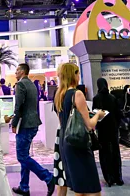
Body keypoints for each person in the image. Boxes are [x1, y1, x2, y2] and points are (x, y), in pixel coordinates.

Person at [54, 63, 106, 195]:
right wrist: (99, 115)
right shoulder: (77, 94)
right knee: (93, 188)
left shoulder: (58, 95)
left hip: (65, 143)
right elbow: (89, 125)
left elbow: (62, 121)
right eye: (78, 73)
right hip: (79, 143)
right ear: (74, 75)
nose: (79, 77)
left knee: (79, 186)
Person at [11, 63, 55, 196]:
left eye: (17, 70)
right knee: (25, 155)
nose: (15, 73)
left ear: (23, 71)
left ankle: (48, 177)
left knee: (22, 156)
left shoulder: (21, 85)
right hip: (33, 123)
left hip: (25, 125)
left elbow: (18, 106)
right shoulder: (32, 84)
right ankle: (24, 187)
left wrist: (13, 123)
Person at [93, 78, 123, 187]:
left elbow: (95, 115)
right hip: (113, 129)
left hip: (102, 129)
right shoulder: (113, 97)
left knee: (104, 153)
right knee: (115, 152)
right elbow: (119, 114)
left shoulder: (96, 98)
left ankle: (108, 178)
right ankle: (118, 178)